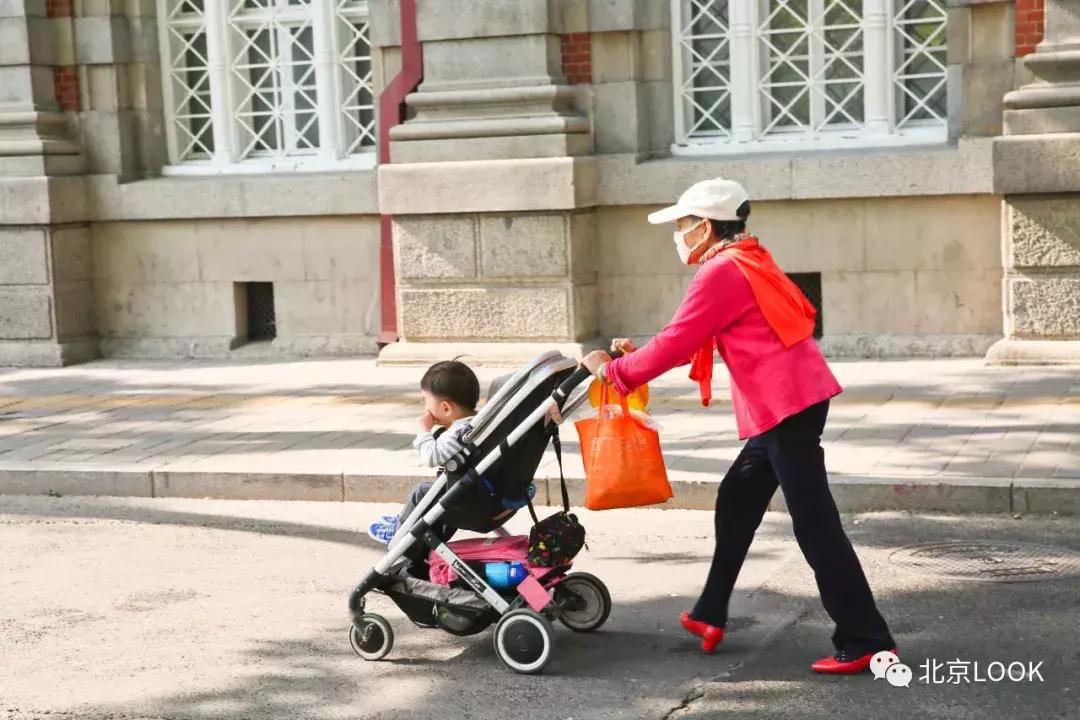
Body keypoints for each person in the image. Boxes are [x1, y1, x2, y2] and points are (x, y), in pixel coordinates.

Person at [581, 177, 896, 675]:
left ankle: (866, 638)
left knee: (815, 524)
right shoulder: (746, 256)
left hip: (786, 406)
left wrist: (612, 371)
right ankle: (710, 613)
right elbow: (691, 331)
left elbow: (680, 339)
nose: (680, 233)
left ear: (705, 226)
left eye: (684, 224)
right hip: (790, 402)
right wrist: (637, 356)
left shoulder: (722, 270)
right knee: (737, 499)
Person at [367, 360, 481, 546]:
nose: (425, 407)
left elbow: (431, 457)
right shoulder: (476, 422)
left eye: (426, 401)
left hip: (466, 500)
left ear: (446, 408)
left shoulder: (456, 434)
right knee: (436, 490)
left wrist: (424, 431)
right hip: (480, 494)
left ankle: (400, 530)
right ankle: (404, 521)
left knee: (421, 491)